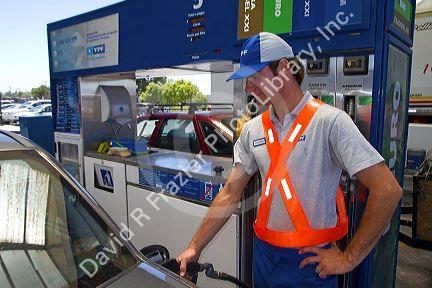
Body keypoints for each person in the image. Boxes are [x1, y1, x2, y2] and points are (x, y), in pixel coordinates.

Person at [177, 32, 402, 287]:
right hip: (262, 258)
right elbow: (230, 193)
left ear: (284, 69)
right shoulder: (252, 130)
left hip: (308, 265)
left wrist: (349, 259)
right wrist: (195, 247)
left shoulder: (330, 122)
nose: (249, 88)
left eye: (254, 77)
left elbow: (387, 190)